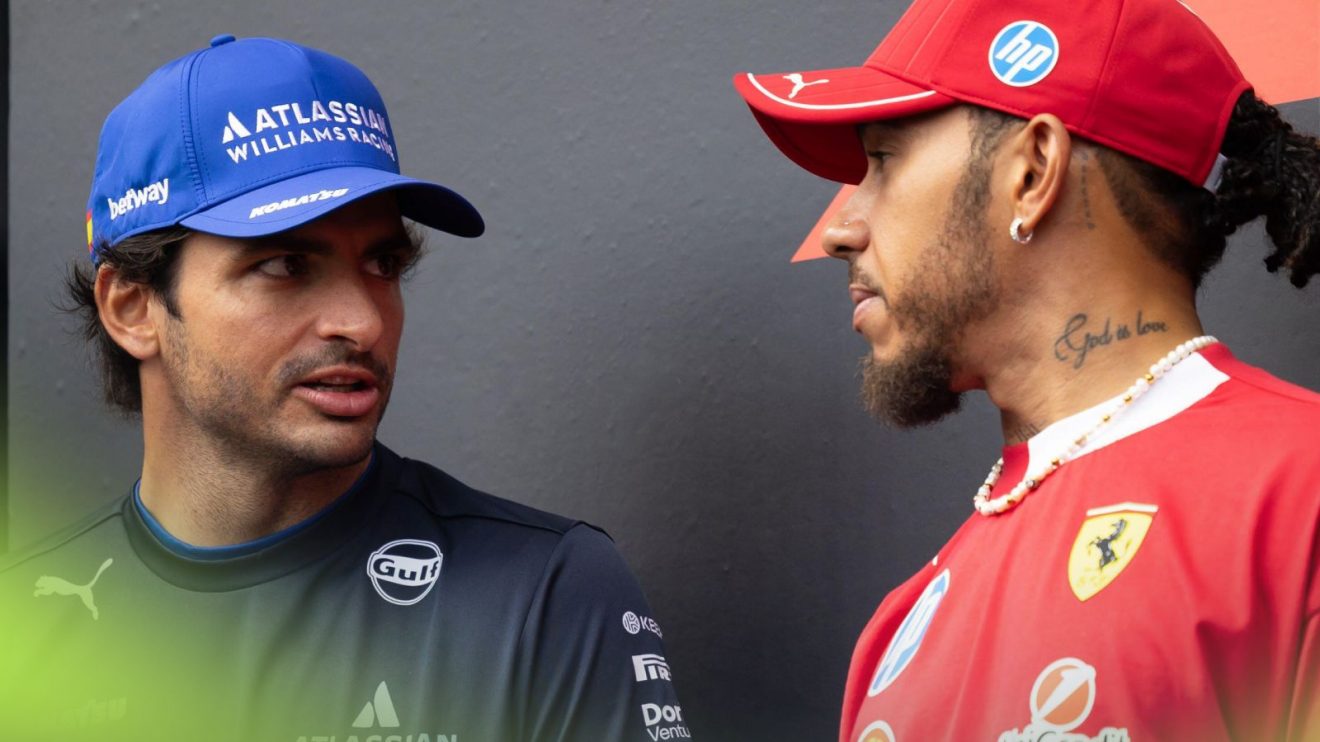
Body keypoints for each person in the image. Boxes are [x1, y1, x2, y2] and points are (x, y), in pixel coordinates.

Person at [0, 35, 687, 742]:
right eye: (286, 264)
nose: (362, 321)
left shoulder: (544, 594)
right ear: (132, 308)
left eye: (384, 263)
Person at [732, 0, 1319, 739]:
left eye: (881, 161)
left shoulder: (1299, 493)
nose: (840, 231)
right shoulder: (899, 628)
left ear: (1034, 171)